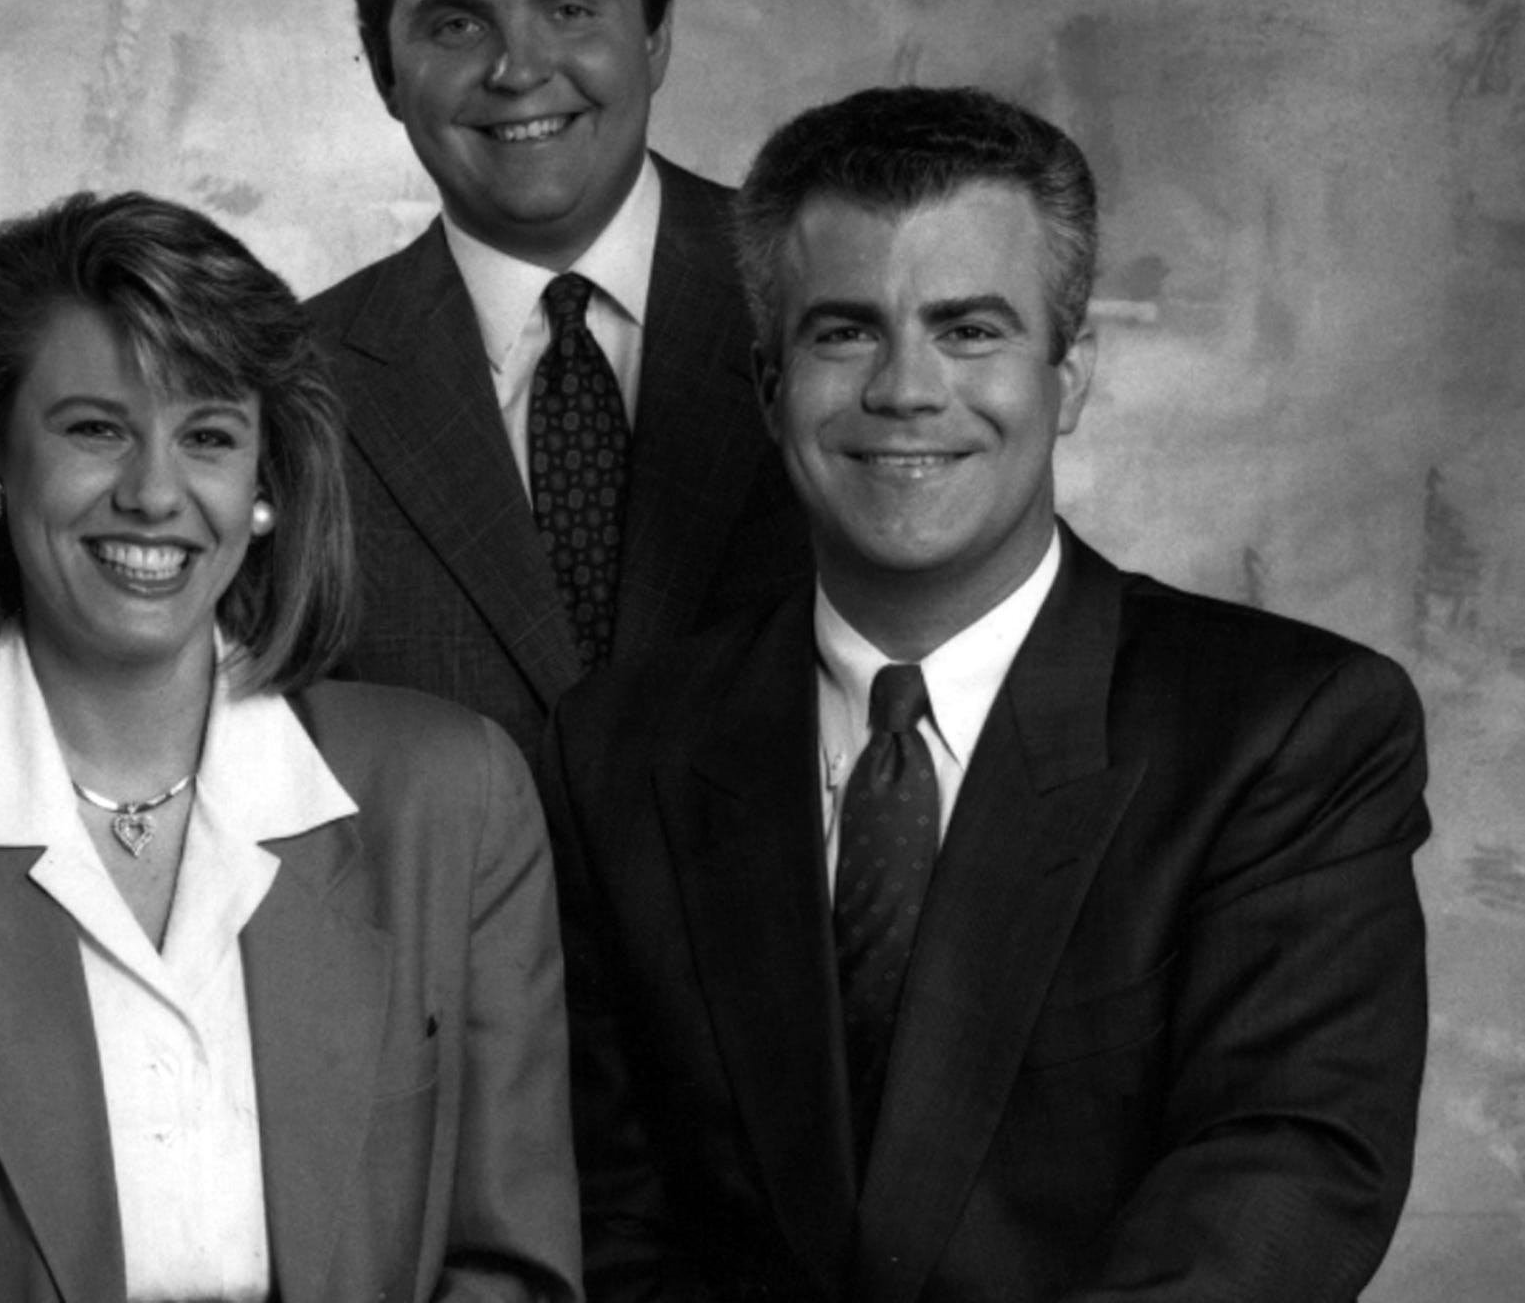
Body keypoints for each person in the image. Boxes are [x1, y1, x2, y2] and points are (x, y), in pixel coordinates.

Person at [540, 86, 1429, 1301]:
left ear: (1068, 376)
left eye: (968, 330)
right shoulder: (617, 752)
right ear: (765, 383)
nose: (907, 388)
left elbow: (1280, 1176)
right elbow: (613, 1222)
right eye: (845, 332)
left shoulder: (1287, 730)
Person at [0, 191, 577, 1303]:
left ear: (264, 488)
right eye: (96, 428)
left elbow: (512, 1270)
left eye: (207, 435)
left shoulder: (454, 798)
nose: (155, 493)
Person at [308, 0, 810, 762]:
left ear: (655, 29)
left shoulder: (825, 305)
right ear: (382, 69)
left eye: (570, 8)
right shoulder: (288, 391)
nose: (519, 68)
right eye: (457, 23)